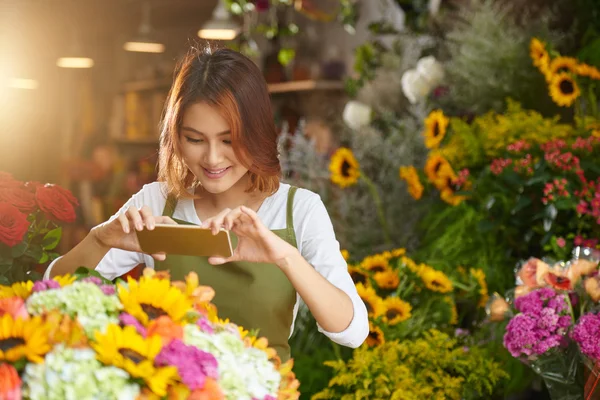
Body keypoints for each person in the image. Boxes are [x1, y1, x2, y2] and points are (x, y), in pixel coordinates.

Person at [45, 44, 369, 361]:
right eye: (195, 139)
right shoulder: (157, 203)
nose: (213, 158)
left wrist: (285, 257)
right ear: (176, 137)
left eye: (229, 140)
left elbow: (352, 331)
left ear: (257, 133)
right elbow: (51, 295)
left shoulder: (298, 210)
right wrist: (100, 239)